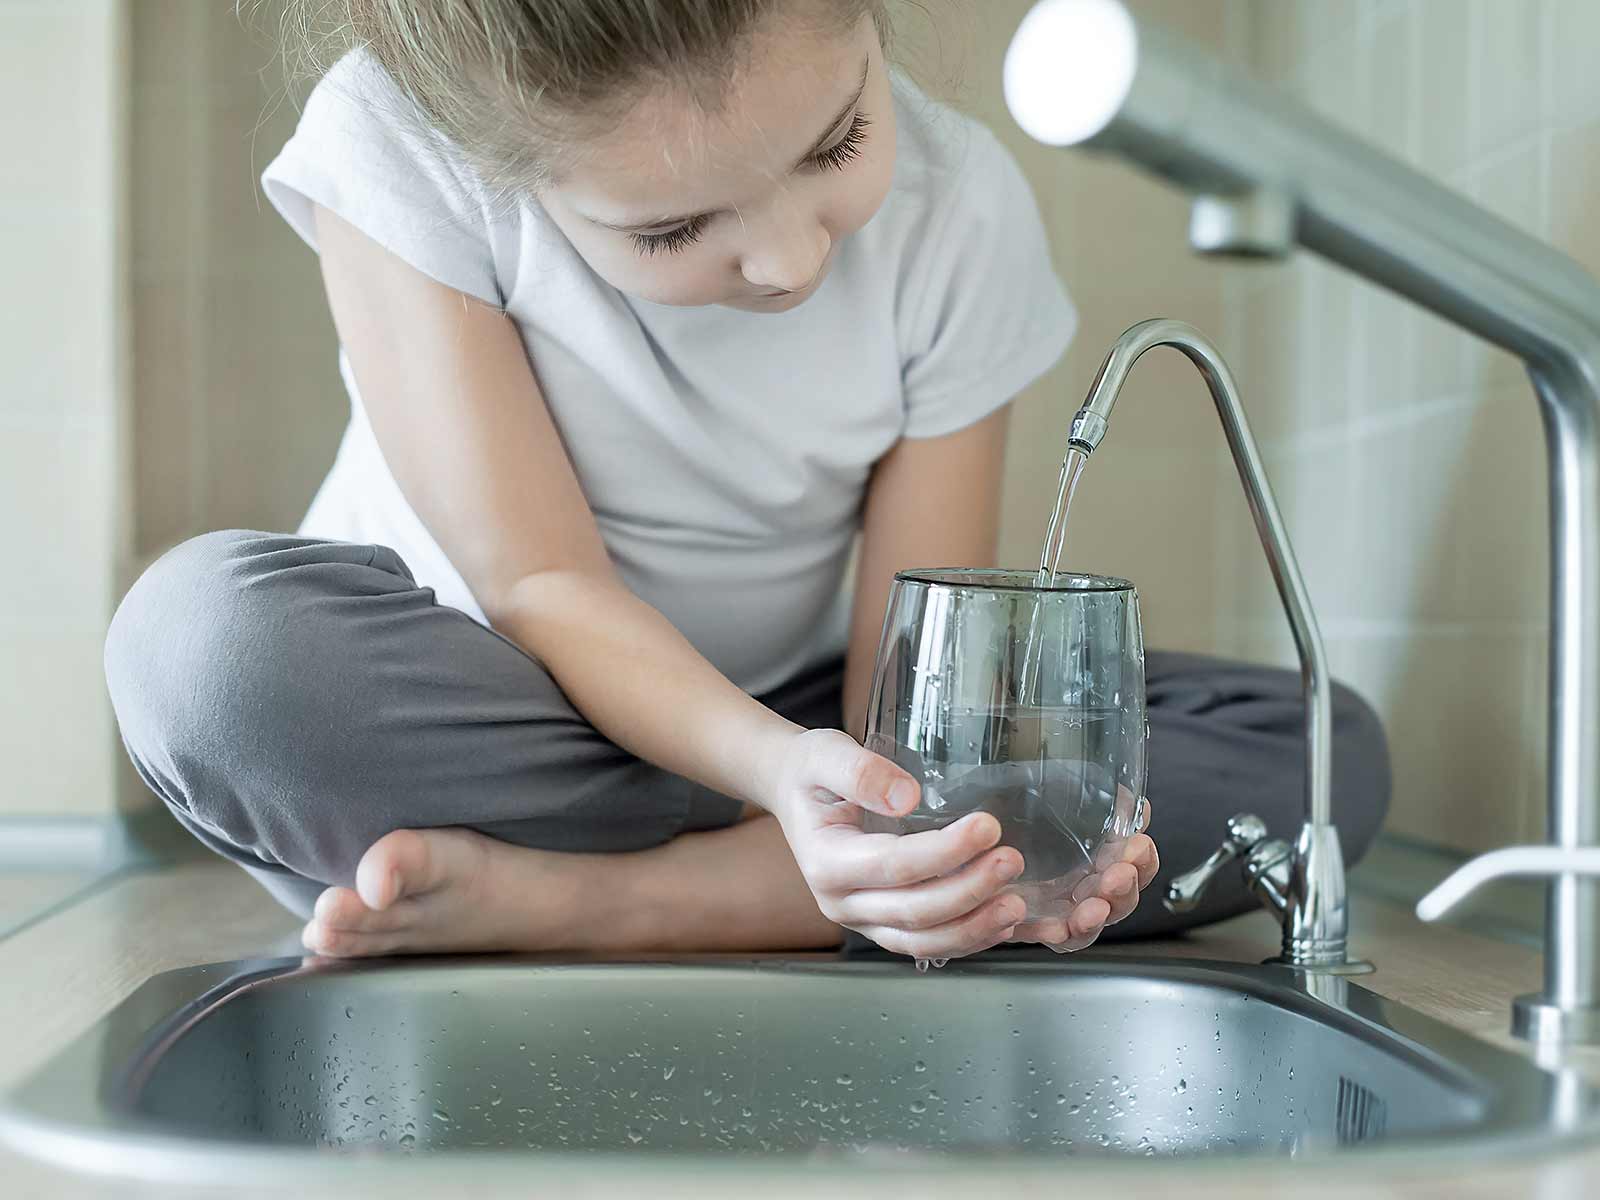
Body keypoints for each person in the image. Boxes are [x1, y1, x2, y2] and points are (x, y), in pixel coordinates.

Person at [103, 0, 1387, 963]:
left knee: (1321, 759)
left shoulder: (965, 213)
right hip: (491, 708)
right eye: (669, 230)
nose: (785, 262)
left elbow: (912, 688)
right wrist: (808, 788)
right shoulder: (392, 137)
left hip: (797, 733)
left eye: (836, 142)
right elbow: (540, 579)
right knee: (205, 653)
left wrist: (882, 793)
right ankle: (820, 886)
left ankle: (602, 904)